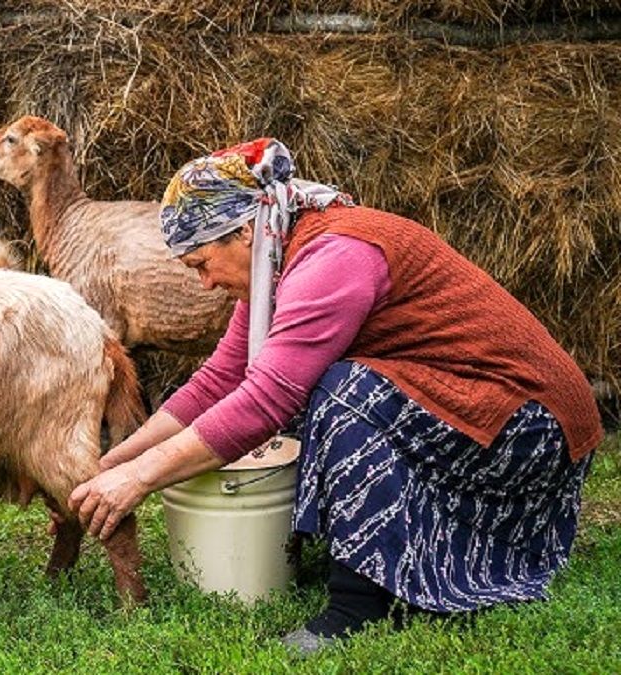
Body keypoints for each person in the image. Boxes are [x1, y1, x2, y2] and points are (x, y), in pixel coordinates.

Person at [68, 138, 602, 655]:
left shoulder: (335, 257)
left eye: (201, 263)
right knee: (328, 388)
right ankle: (381, 555)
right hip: (475, 406)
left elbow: (265, 401)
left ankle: (355, 606)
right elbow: (218, 380)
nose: (204, 283)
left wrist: (139, 480)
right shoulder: (276, 263)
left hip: (527, 423)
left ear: (246, 231)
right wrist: (115, 461)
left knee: (340, 390)